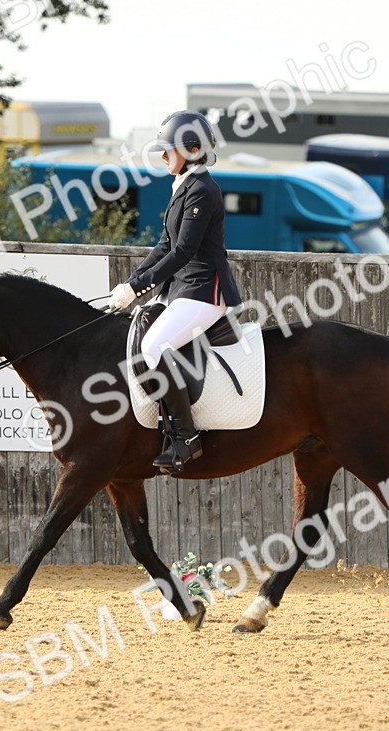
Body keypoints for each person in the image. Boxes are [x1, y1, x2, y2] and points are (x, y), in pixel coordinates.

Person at [108, 109, 243, 473]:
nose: (163, 157)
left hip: (204, 291)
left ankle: (186, 438)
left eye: (168, 151)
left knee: (155, 345)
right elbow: (164, 245)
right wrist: (130, 283)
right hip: (181, 288)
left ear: (193, 150)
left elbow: (183, 251)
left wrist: (138, 287)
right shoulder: (183, 186)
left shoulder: (203, 190)